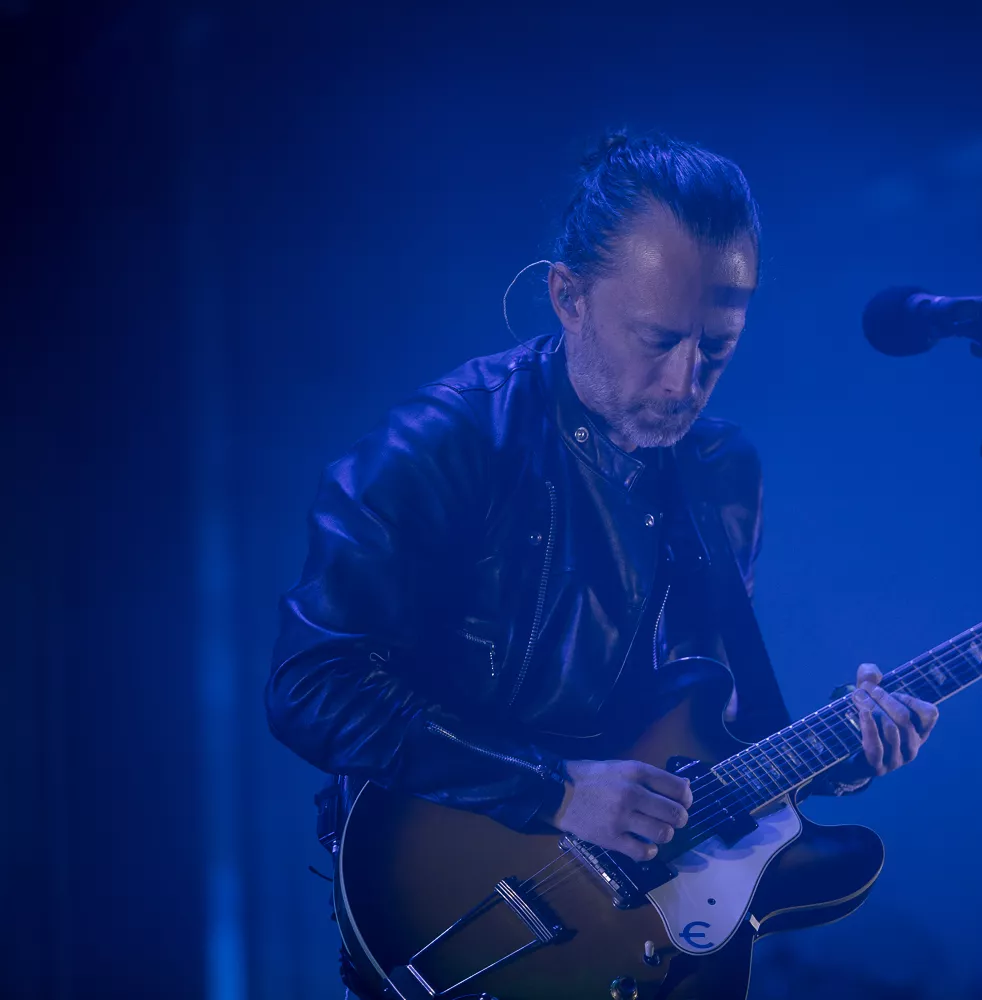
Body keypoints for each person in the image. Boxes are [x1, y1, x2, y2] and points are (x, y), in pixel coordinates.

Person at [265, 132, 939, 933]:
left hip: (638, 929)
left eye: (717, 348)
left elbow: (717, 741)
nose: (685, 381)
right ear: (569, 298)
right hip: (461, 909)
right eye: (659, 340)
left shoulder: (724, 470)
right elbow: (313, 686)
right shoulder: (441, 443)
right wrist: (555, 790)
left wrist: (846, 750)